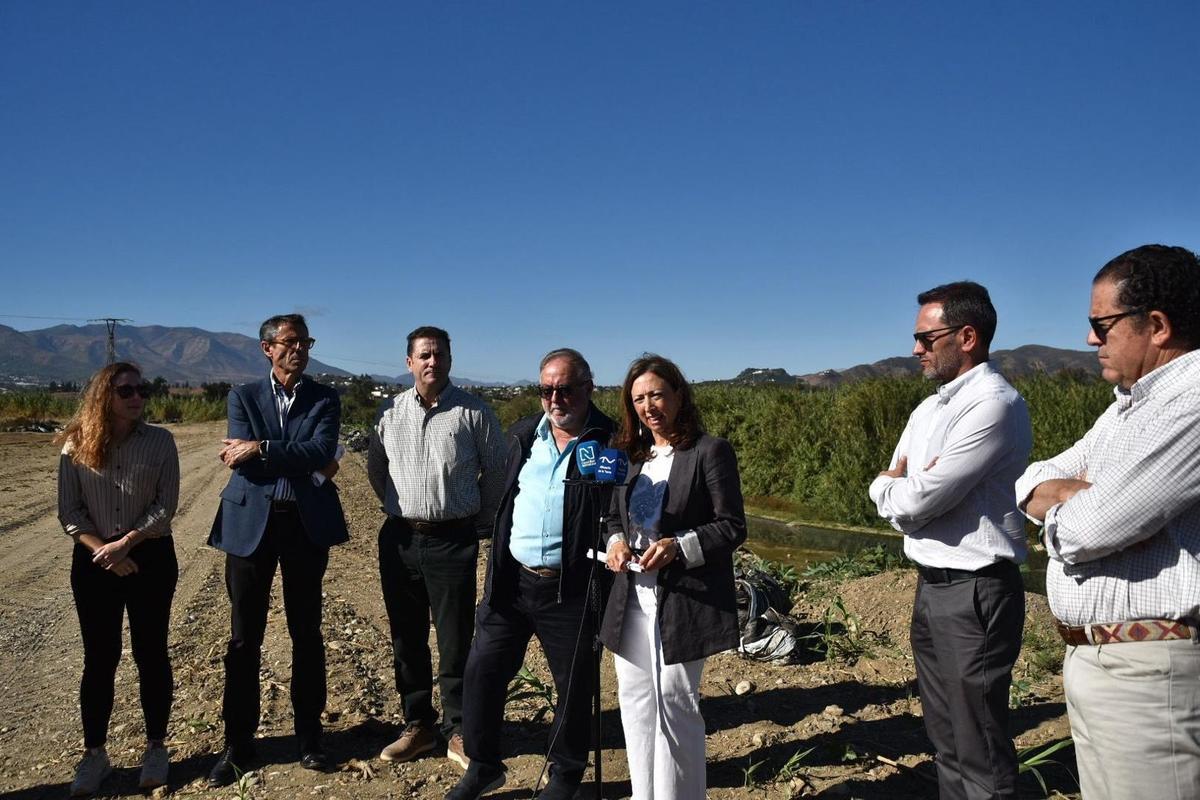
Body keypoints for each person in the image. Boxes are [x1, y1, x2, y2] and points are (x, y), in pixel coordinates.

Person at [1014, 244, 1200, 800]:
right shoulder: (1130, 404)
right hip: (1102, 662)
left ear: (1158, 325)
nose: (1092, 339)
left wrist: (1072, 508)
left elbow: (1090, 529)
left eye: (1102, 324)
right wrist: (1067, 494)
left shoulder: (1189, 401)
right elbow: (1030, 479)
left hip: (1149, 674)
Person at [868, 281, 1031, 800]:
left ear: (966, 336)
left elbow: (913, 499)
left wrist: (897, 486)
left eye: (925, 337)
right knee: (946, 740)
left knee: (979, 743)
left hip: (976, 593)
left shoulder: (994, 405)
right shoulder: (928, 410)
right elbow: (902, 494)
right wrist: (898, 487)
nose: (915, 349)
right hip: (932, 587)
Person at [447, 348, 616, 800]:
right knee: (482, 671)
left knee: (574, 687)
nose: (555, 398)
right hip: (512, 581)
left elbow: (621, 512)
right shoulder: (523, 434)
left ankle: (564, 776)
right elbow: (504, 501)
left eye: (565, 388)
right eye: (546, 389)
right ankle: (483, 767)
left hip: (572, 588)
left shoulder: (610, 440)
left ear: (588, 388)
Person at [206, 313, 348, 786]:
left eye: (305, 341)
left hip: (304, 528)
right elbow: (242, 466)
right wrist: (284, 453)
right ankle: (238, 744)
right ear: (267, 348)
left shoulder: (325, 397)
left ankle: (310, 739)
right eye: (290, 342)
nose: (300, 350)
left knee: (306, 633)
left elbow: (322, 450)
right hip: (252, 527)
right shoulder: (242, 395)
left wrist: (261, 447)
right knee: (244, 638)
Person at [601, 354, 747, 800]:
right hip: (632, 599)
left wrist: (679, 546)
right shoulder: (630, 456)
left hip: (683, 601)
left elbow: (732, 526)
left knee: (676, 706)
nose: (649, 406)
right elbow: (612, 517)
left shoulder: (708, 451)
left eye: (657, 394)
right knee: (637, 703)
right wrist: (616, 543)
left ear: (679, 395)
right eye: (639, 398)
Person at [367, 326, 506, 768]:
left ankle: (459, 728)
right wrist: (401, 508)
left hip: (452, 541)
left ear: (449, 360)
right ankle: (418, 725)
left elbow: (498, 474)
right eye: (424, 355)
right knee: (406, 636)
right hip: (401, 538)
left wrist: (477, 522)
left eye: (440, 355)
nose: (432, 362)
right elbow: (376, 471)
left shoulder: (474, 412)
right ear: (409, 362)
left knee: (455, 639)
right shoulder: (388, 414)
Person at [56, 362, 180, 796]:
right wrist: (104, 551)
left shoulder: (161, 442)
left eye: (142, 390)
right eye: (126, 390)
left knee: (151, 653)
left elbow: (166, 506)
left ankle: (156, 747)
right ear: (103, 396)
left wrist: (125, 544)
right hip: (95, 563)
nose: (137, 398)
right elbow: (69, 511)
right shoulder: (76, 444)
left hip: (149, 558)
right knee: (99, 658)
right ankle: (94, 754)